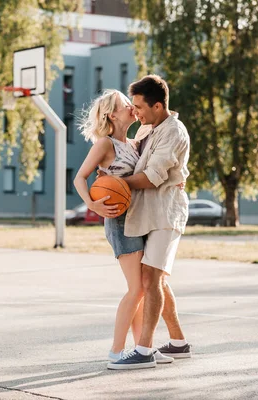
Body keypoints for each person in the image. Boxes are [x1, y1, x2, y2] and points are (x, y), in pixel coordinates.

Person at [73, 89, 174, 365]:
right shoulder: (104, 145)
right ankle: (116, 352)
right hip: (118, 221)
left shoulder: (134, 142)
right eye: (125, 103)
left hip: (137, 218)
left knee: (142, 287)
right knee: (137, 289)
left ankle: (144, 348)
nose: (132, 106)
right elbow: (80, 178)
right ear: (112, 114)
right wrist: (92, 206)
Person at [107, 75, 192, 370]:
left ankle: (143, 349)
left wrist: (113, 183)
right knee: (157, 279)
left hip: (166, 214)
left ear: (158, 105)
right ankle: (179, 342)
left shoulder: (174, 132)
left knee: (151, 279)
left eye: (140, 107)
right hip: (147, 213)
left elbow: (151, 178)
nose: (136, 112)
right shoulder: (147, 128)